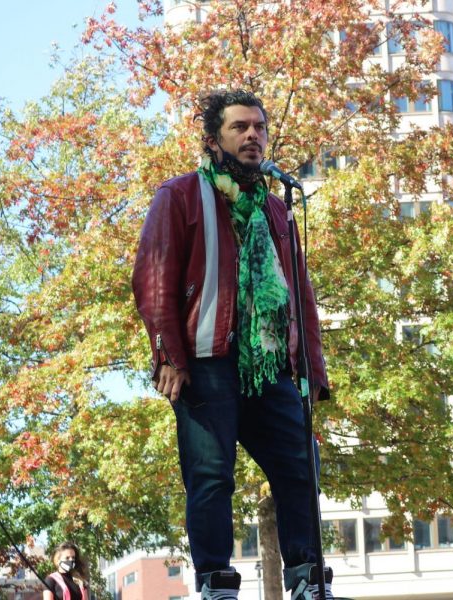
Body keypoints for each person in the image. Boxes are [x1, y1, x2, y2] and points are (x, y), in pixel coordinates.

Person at [132, 90, 333, 600]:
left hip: (269, 367)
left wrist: (313, 373)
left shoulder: (277, 210)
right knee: (211, 475)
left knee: (300, 464)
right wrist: (168, 355)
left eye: (259, 128)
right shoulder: (178, 196)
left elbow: (299, 297)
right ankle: (216, 582)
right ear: (213, 139)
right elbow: (153, 280)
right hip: (205, 363)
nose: (252, 136)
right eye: (239, 127)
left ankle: (308, 579)